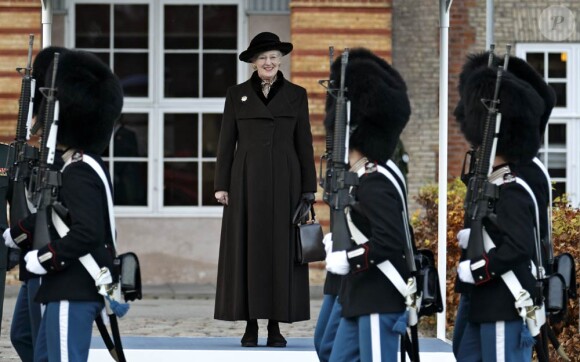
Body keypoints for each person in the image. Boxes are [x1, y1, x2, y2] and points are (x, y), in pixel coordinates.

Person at [3, 48, 123, 361]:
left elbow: (87, 233)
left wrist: (42, 258)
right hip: (62, 282)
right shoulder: (73, 165)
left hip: (73, 283)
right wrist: (14, 234)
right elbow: (55, 216)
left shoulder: (79, 169)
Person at [213, 31, 317, 348]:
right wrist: (221, 185)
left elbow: (305, 144)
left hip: (286, 184)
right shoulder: (236, 94)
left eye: (273, 57)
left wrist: (309, 190)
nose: (268, 62)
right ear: (254, 63)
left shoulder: (297, 95)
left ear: (280, 60)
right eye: (262, 58)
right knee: (247, 250)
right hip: (245, 183)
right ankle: (249, 324)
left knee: (279, 254)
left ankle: (274, 325)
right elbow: (225, 142)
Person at [452, 52, 556, 361]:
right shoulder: (497, 174)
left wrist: (481, 266)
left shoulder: (520, 178)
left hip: (506, 291)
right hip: (484, 290)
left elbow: (521, 242)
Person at [320, 48, 413, 361]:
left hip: (380, 295)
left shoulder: (374, 182)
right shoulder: (361, 178)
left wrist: (351, 259)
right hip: (361, 294)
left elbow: (390, 240)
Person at [4, 46, 69, 362]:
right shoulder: (32, 154)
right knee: (22, 335)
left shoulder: (68, 161)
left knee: (39, 337)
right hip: (32, 252)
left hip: (47, 253)